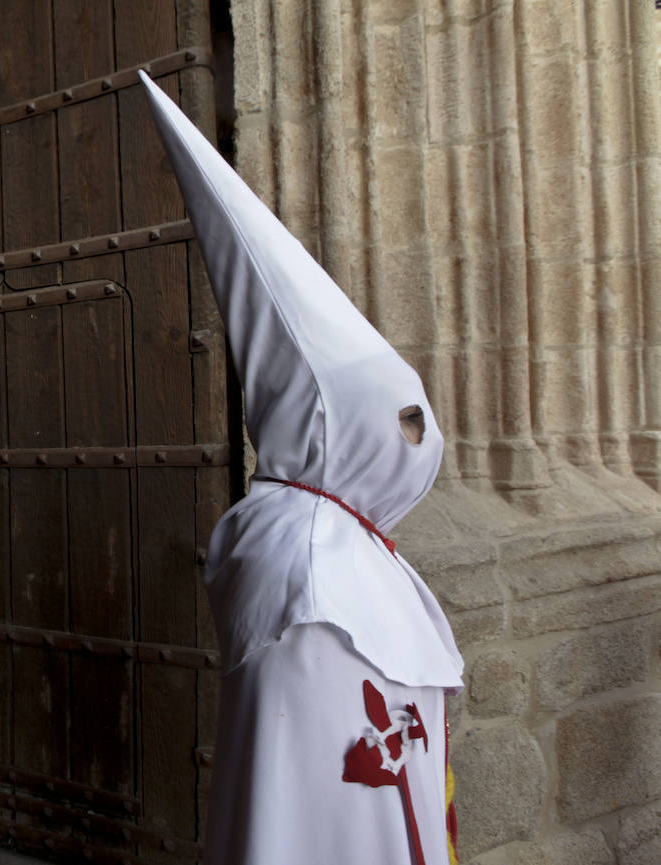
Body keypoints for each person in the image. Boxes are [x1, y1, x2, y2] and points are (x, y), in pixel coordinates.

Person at [139, 71, 464, 865]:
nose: (418, 442)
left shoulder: (348, 535)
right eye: (399, 418)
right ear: (334, 428)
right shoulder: (306, 563)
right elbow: (297, 796)